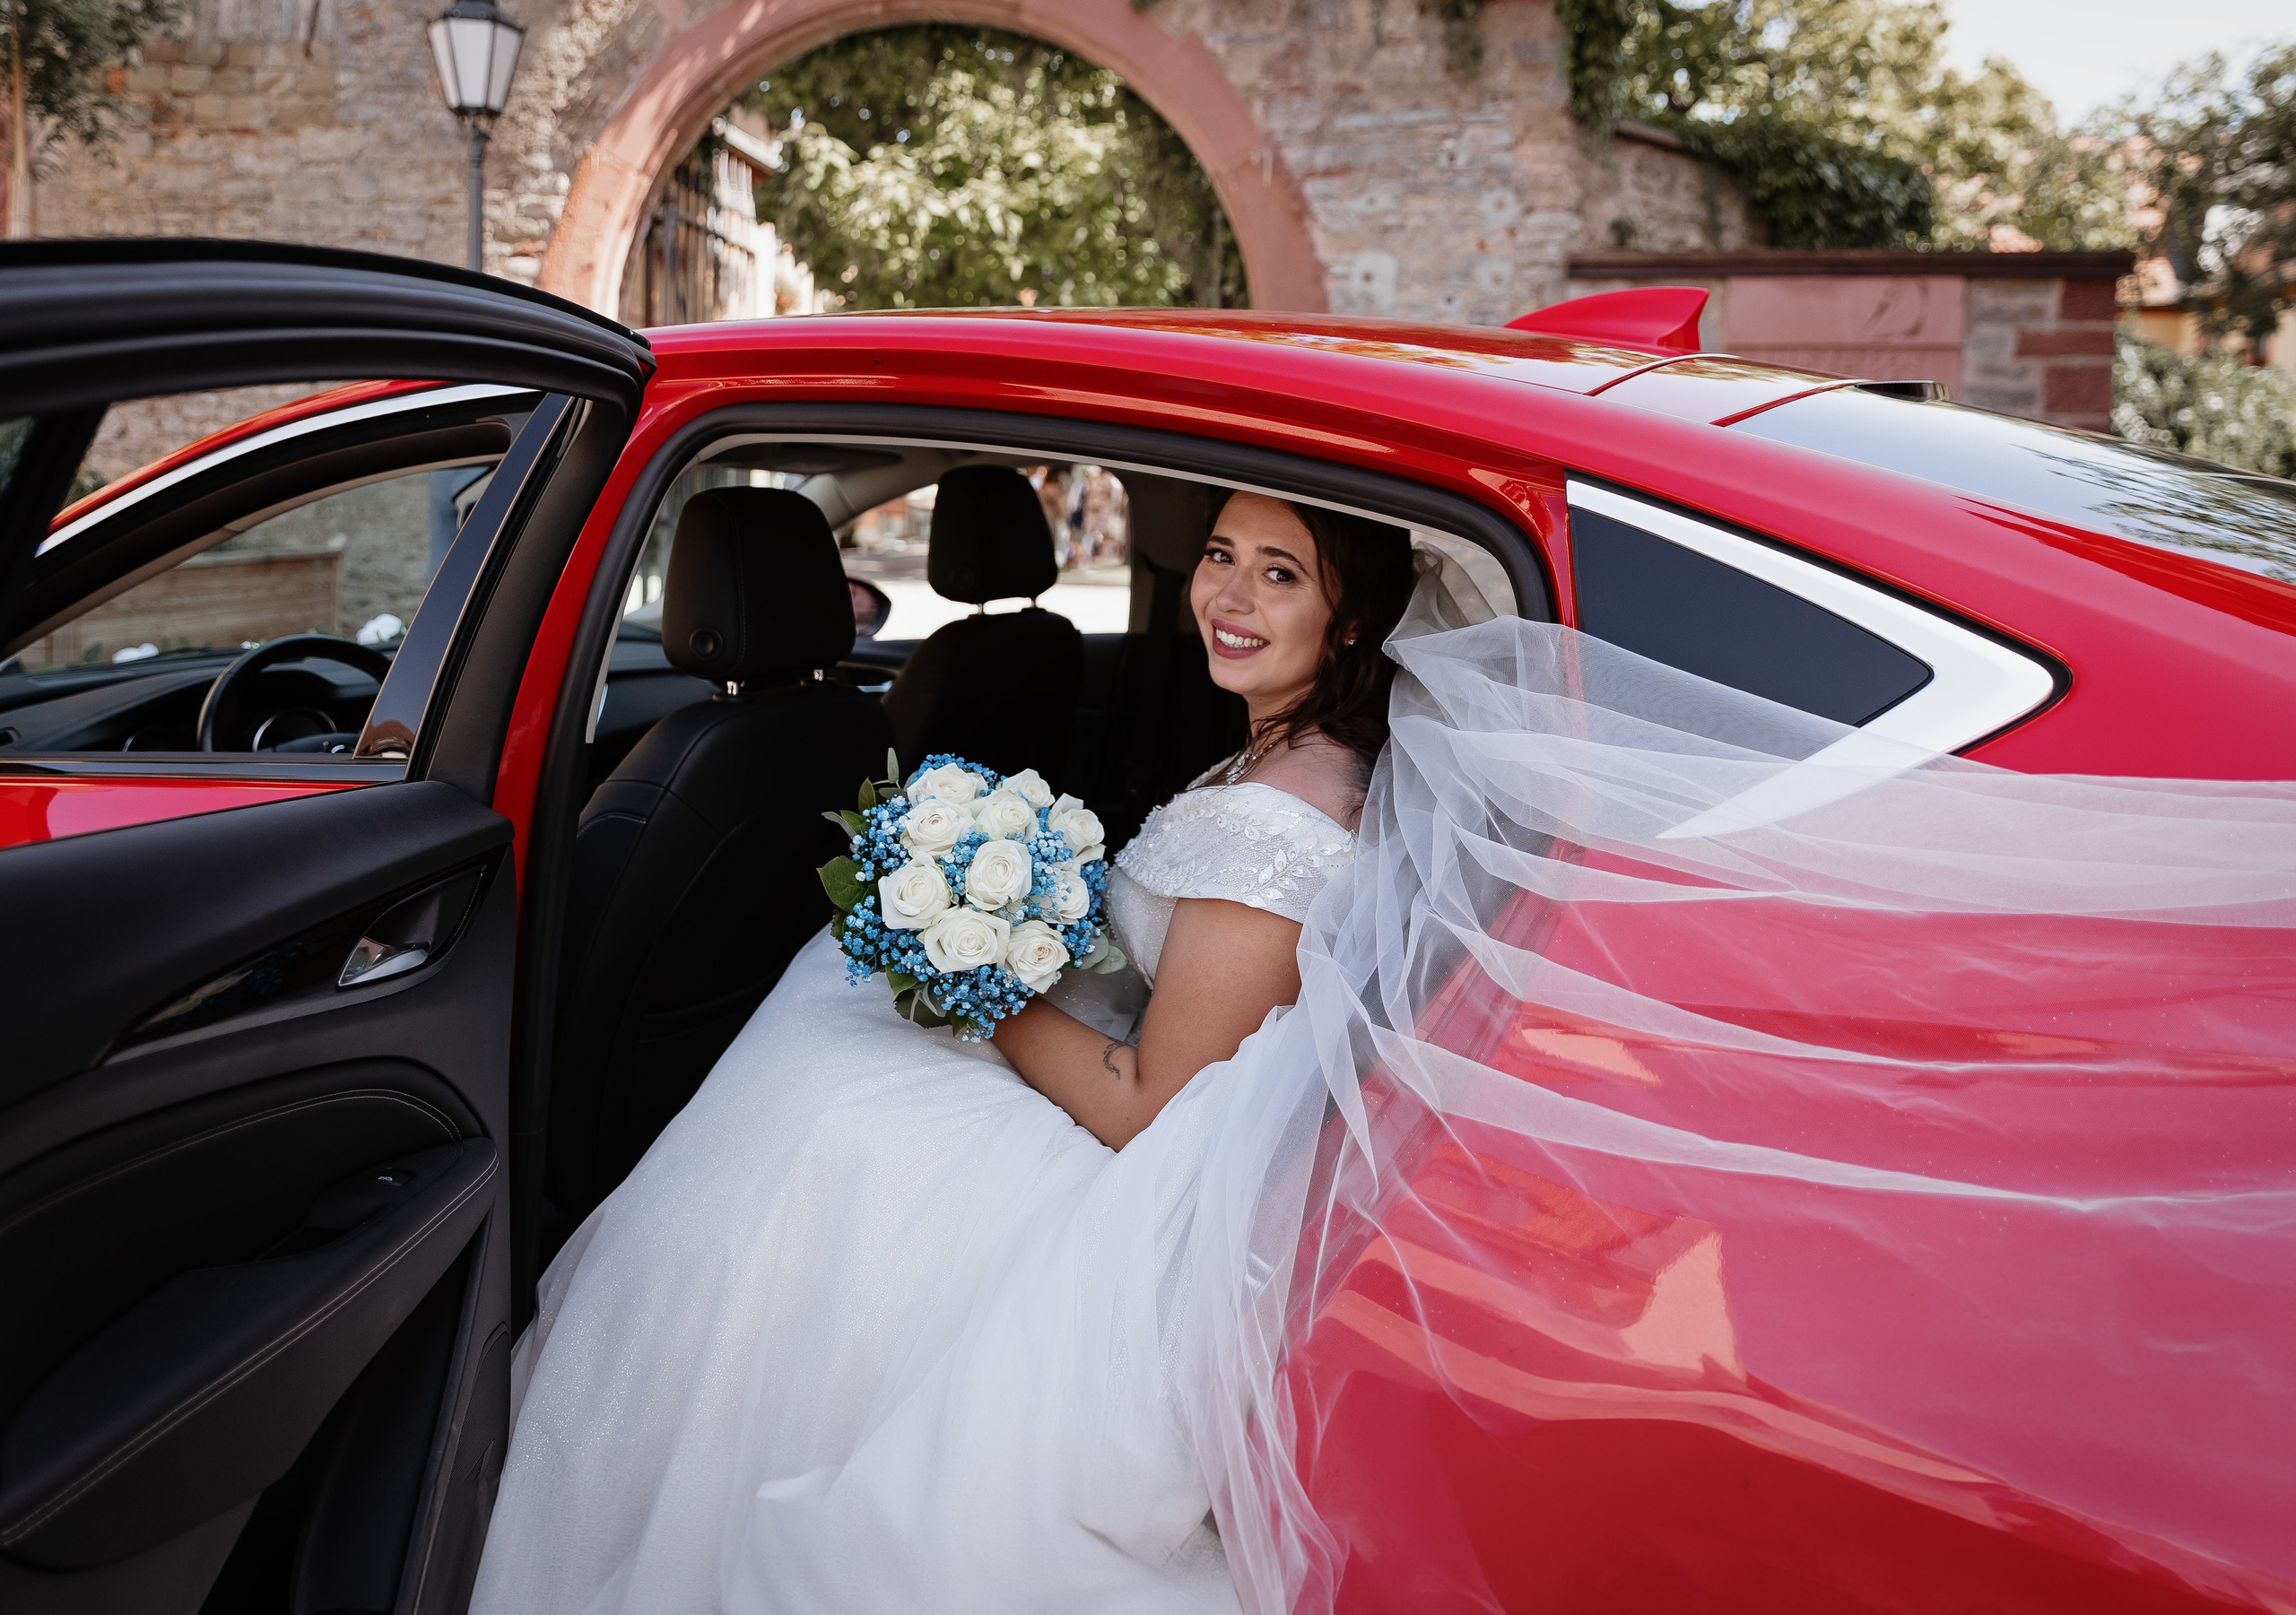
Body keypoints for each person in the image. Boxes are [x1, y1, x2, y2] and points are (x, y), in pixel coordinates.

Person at [469, 491, 1419, 1614]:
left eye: (1280, 574)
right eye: (1220, 556)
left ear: (1350, 618)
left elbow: (1144, 1105)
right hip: (1152, 1090)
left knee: (819, 1128)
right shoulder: (1293, 758)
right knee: (827, 1044)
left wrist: (972, 978)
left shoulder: (1278, 820)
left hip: (1145, 1169)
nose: (1225, 595)